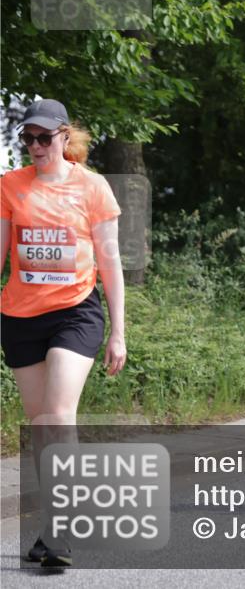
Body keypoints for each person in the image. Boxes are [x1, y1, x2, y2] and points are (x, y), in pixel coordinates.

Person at [1, 99, 126, 567]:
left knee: (57, 415)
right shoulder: (10, 186)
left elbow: (110, 261)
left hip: (76, 311)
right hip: (19, 316)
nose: (35, 146)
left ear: (64, 137)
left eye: (44, 137)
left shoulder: (92, 187)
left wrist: (118, 331)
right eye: (27, 138)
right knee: (39, 426)